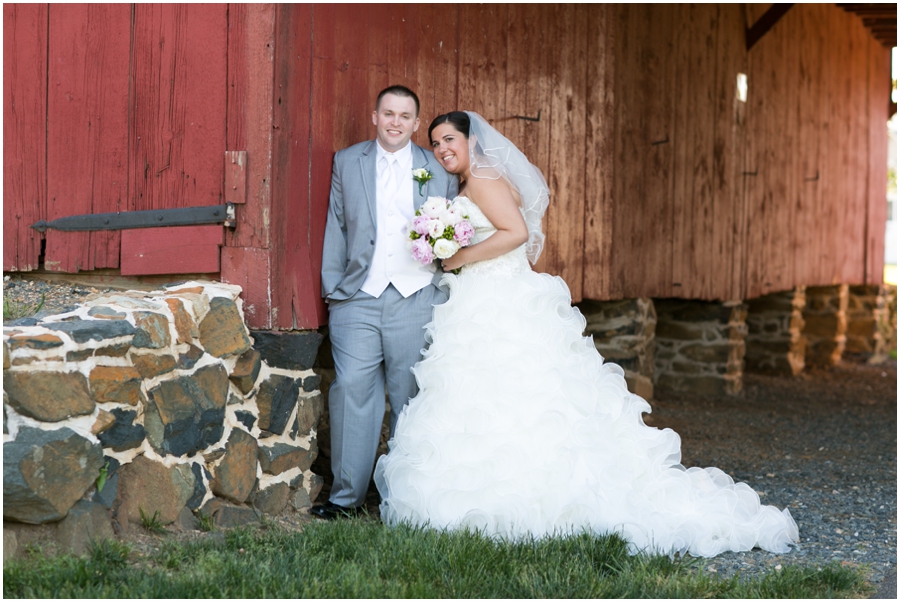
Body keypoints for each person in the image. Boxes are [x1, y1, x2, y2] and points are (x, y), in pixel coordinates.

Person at [373, 111, 799, 558]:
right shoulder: (467, 184)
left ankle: (517, 499)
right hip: (477, 299)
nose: (443, 150)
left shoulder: (482, 180)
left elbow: (515, 232)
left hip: (498, 299)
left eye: (450, 140)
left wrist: (459, 257)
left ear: (472, 142)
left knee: (513, 392)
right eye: (437, 144)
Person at [314, 86, 458, 520]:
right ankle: (345, 500)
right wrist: (335, 290)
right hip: (358, 297)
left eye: (405, 116)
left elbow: (452, 227)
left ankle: (403, 501)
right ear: (374, 116)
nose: (395, 122)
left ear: (417, 124)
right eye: (388, 113)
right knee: (351, 393)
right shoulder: (347, 161)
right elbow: (337, 226)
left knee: (409, 398)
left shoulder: (438, 168)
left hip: (416, 297)